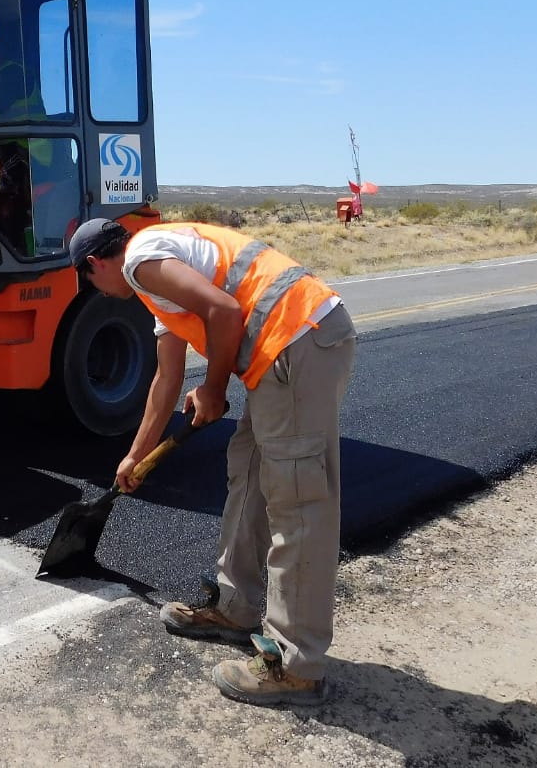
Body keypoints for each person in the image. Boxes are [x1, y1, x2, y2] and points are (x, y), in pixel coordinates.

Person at [68, 216, 357, 707]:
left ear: (95, 263)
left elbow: (224, 310)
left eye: (89, 280)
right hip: (282, 351)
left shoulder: (141, 261)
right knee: (248, 473)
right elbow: (166, 379)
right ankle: (235, 608)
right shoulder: (159, 280)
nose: (97, 291)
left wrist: (214, 388)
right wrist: (135, 456)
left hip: (300, 337)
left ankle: (296, 666)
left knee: (296, 498)